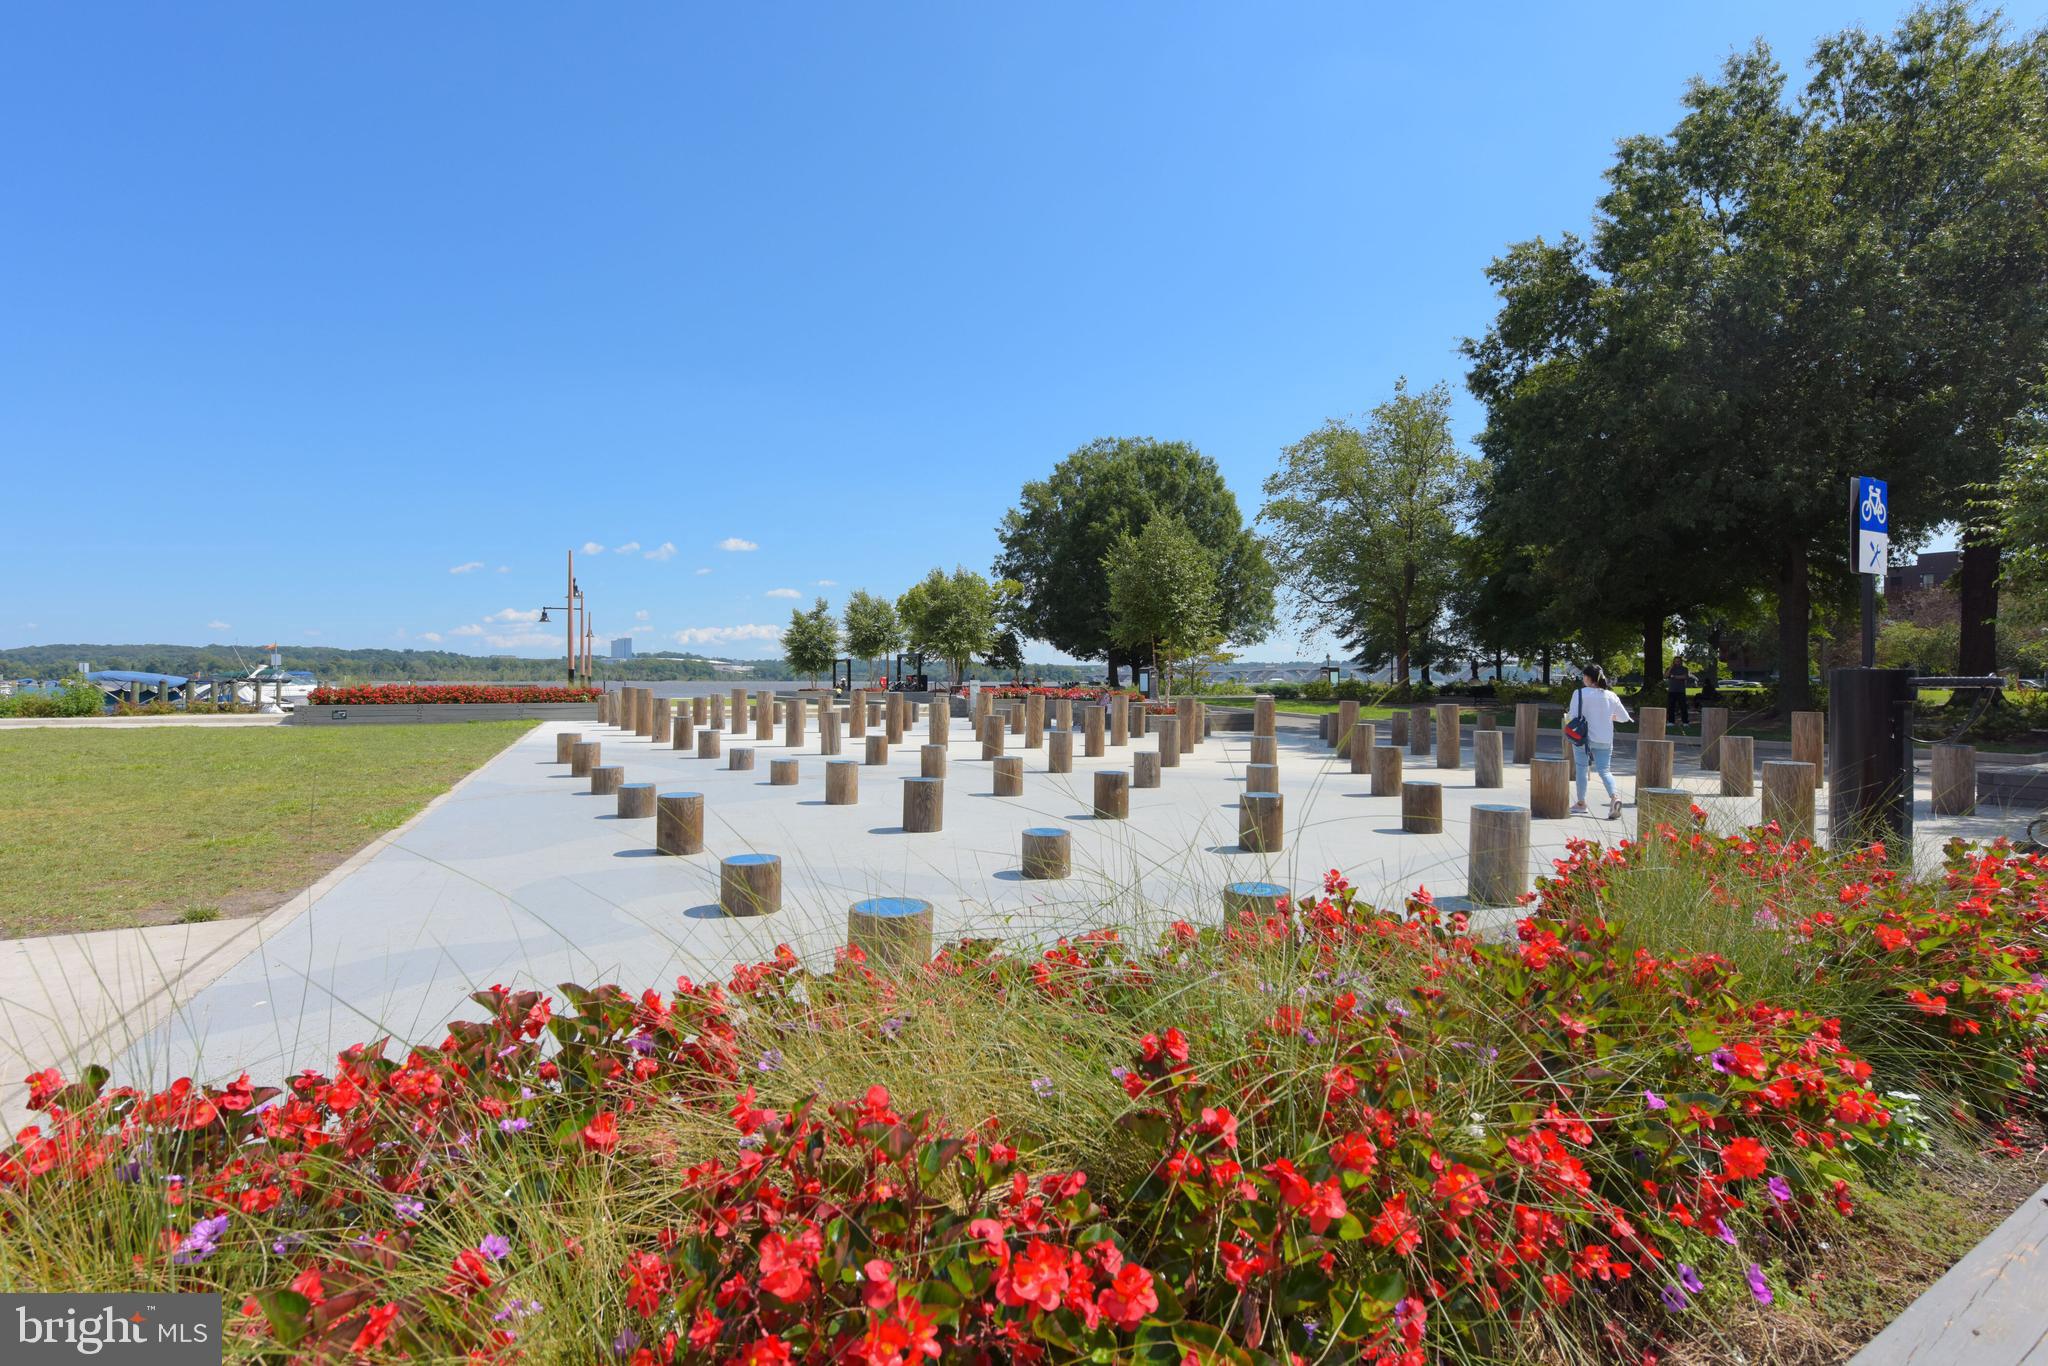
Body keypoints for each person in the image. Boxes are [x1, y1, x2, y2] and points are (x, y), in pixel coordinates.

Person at [1567, 663, 1631, 819]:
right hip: (1605, 738)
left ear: (1588, 678)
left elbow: (1572, 715)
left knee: (1581, 769)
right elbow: (1624, 717)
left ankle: (1581, 803)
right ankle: (1615, 797)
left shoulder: (1579, 693)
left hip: (1584, 738)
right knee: (1605, 771)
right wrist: (1611, 717)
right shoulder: (1611, 695)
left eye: (1584, 676)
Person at [1665, 658, 1693, 727]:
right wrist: (1671, 668)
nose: (1677, 662)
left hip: (1681, 691)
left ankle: (1685, 722)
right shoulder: (1669, 668)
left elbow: (1684, 677)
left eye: (1678, 661)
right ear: (1673, 662)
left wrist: (1673, 676)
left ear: (1681, 662)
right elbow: (1666, 676)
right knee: (1671, 707)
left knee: (1683, 707)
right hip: (1672, 690)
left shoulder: (1684, 669)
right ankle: (1671, 721)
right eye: (1675, 661)